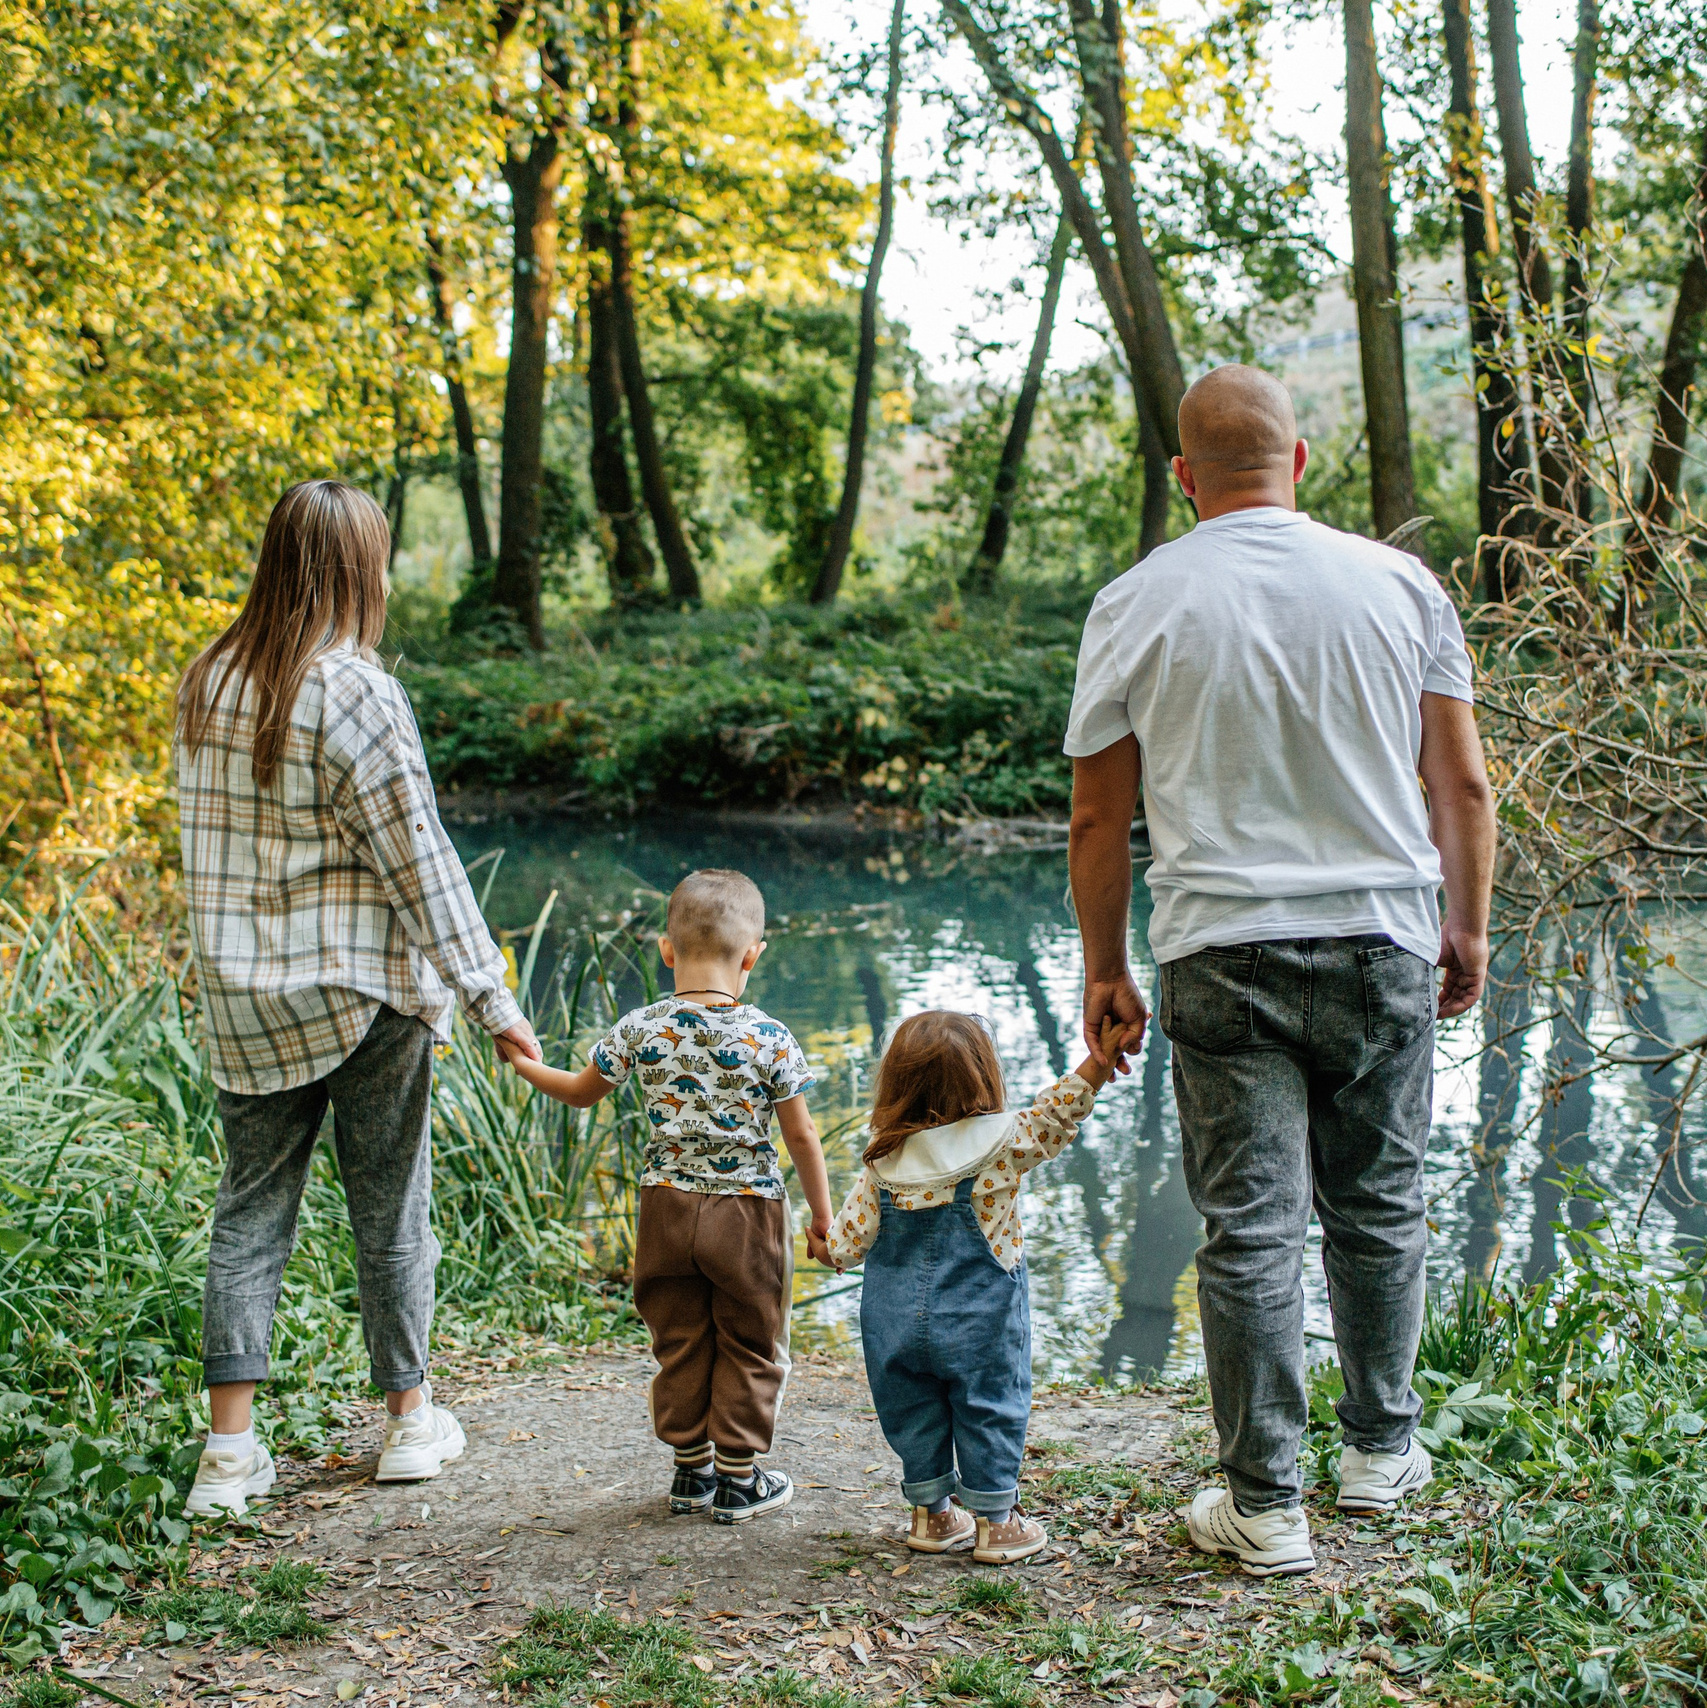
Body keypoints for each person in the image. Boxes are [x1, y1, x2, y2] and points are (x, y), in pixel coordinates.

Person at [1064, 365, 1497, 1577]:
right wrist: (1467, 925)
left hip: (1219, 949)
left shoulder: (1134, 601)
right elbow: (1461, 783)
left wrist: (1105, 968)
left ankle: (1265, 1504)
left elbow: (1098, 819)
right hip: (1381, 937)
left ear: (1183, 475)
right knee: (1380, 1203)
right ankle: (1380, 1452)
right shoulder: (1402, 585)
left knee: (1250, 1229)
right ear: (1300, 461)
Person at [175, 479, 542, 1518]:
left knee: (248, 1214)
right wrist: (493, 1001)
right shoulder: (355, 689)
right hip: (362, 996)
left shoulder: (207, 679)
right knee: (390, 1209)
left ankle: (228, 1454)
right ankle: (410, 1421)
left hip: (245, 1005)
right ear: (358, 569)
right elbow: (419, 863)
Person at [500, 868, 833, 1523]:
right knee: (750, 1338)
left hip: (665, 1207)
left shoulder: (641, 1027)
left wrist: (521, 1062)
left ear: (666, 951)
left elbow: (578, 1092)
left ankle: (690, 1470)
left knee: (678, 1334)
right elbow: (802, 1135)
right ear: (752, 956)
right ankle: (737, 1479)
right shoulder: (769, 1036)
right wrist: (822, 1218)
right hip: (746, 1210)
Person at [824, 1010, 1138, 1565]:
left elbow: (845, 1245)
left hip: (893, 1323)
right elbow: (1058, 1111)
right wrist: (1101, 1059)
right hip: (981, 1321)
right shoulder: (1003, 1145)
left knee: (912, 1408)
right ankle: (998, 1523)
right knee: (989, 1404)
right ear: (984, 1076)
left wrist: (822, 1244)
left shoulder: (883, 1162)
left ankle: (932, 1515)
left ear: (896, 1084)